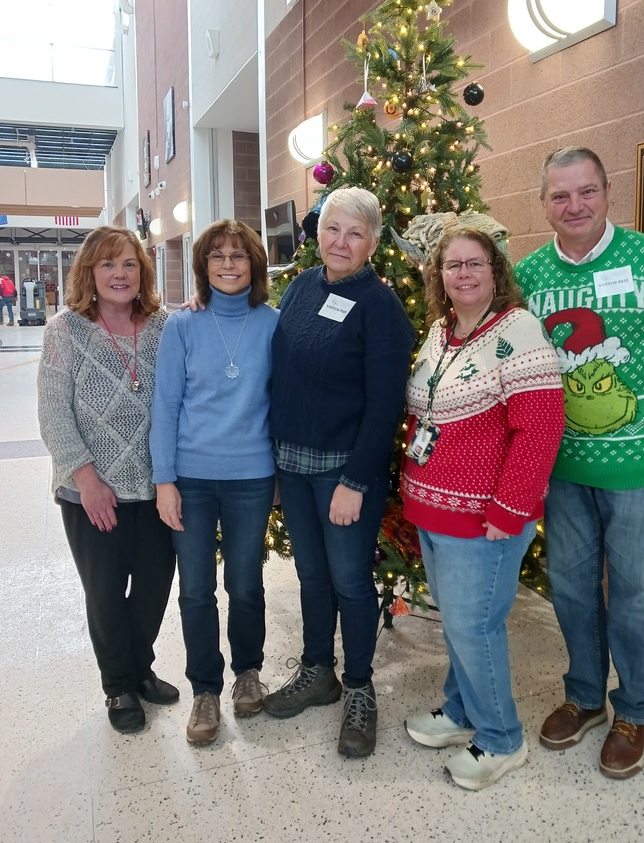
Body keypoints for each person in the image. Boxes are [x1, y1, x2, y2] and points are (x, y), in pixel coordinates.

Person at [514, 147, 644, 779]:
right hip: (565, 469)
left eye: (585, 192)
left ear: (608, 192)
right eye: (559, 195)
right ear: (544, 203)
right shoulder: (528, 278)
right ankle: (584, 698)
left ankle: (632, 709)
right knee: (572, 589)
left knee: (633, 592)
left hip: (639, 469)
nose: (574, 206)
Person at [401, 227, 565, 791]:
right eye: (452, 265)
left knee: (475, 627)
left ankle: (501, 740)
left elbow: (540, 426)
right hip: (434, 510)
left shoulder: (518, 330)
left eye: (474, 263)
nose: (463, 274)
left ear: (495, 270)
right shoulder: (440, 332)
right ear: (438, 275)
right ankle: (461, 709)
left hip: (484, 517)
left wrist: (511, 507)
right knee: (459, 624)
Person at [264, 187, 415, 759]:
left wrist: (355, 480)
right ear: (317, 234)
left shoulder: (380, 306)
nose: (341, 242)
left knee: (350, 581)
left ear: (373, 242)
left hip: (344, 474)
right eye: (332, 230)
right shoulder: (302, 287)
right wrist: (275, 462)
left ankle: (358, 686)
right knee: (310, 575)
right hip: (295, 467)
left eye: (355, 233)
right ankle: (317, 671)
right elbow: (280, 375)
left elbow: (385, 406)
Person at [37, 226, 178, 734]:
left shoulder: (164, 327)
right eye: (107, 265)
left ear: (143, 273)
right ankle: (118, 684)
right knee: (105, 589)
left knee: (154, 585)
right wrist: (87, 477)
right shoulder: (66, 329)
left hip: (156, 485)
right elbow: (53, 411)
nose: (120, 274)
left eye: (130, 265)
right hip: (91, 488)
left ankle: (140, 669)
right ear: (89, 274)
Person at [150, 220, 279, 746]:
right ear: (203, 267)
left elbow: (285, 399)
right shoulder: (183, 325)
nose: (228, 265)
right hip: (192, 477)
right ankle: (205, 689)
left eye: (239, 255)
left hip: (251, 474)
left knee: (246, 584)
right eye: (217, 256)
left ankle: (248, 672)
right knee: (197, 590)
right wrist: (164, 481)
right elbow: (166, 405)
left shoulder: (274, 322)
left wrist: (277, 473)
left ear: (255, 264)